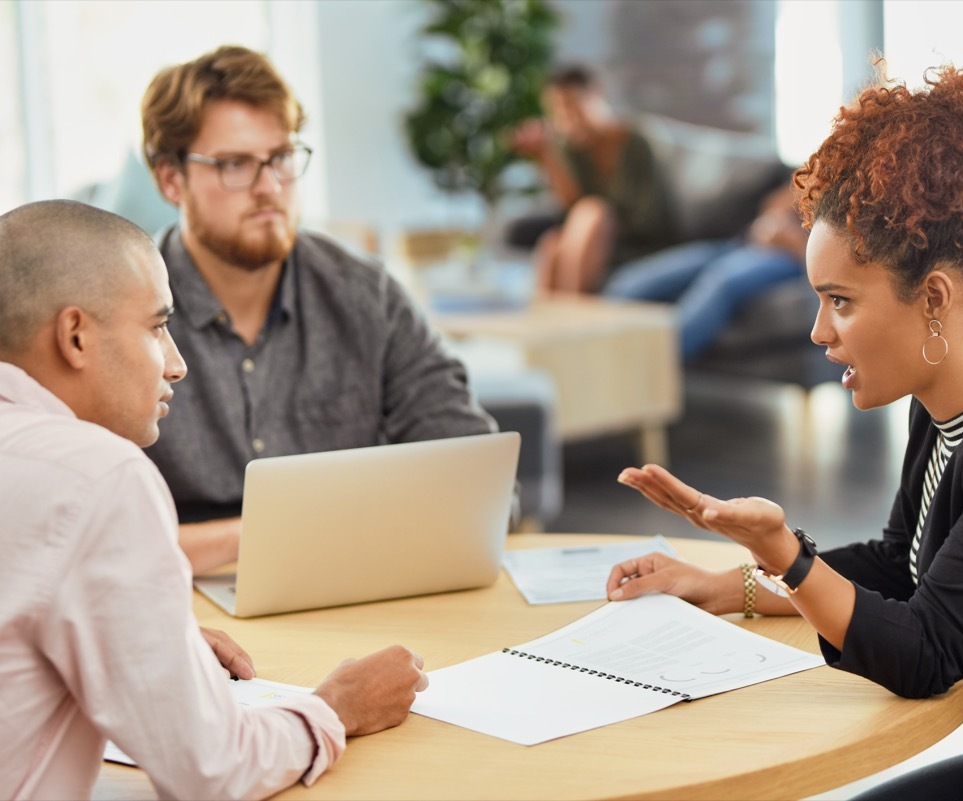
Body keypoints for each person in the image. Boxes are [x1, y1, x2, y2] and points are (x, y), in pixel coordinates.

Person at [605, 58, 963, 801]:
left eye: (841, 302)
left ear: (934, 298)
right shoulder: (950, 399)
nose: (822, 331)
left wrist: (785, 554)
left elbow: (927, 651)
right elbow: (899, 564)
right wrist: (726, 585)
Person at [0, 199, 428, 800]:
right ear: (75, 335)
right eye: (156, 326)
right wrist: (338, 706)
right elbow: (212, 770)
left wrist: (135, 634)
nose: (176, 364)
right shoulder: (99, 475)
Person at [139, 45, 499, 575]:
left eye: (281, 157)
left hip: (350, 584)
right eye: (236, 165)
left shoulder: (364, 294)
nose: (269, 188)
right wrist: (258, 538)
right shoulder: (123, 314)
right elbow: (81, 533)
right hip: (180, 612)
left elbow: (475, 480)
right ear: (171, 180)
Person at [510, 64, 680, 295]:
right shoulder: (571, 148)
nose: (566, 119)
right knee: (552, 243)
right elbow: (571, 209)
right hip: (593, 241)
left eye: (572, 106)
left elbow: (641, 220)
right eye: (557, 111)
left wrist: (593, 222)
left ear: (595, 95)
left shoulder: (634, 141)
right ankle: (544, 325)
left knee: (593, 212)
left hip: (641, 244)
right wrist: (547, 158)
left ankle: (574, 315)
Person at [602, 182, 808, 360]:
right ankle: (594, 344)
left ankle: (654, 362)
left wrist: (791, 239)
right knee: (630, 283)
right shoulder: (814, 169)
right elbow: (778, 202)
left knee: (723, 279)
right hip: (742, 243)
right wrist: (772, 223)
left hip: (790, 258)